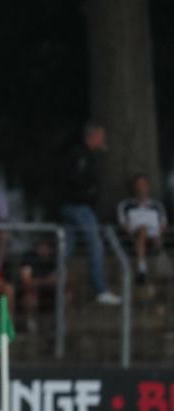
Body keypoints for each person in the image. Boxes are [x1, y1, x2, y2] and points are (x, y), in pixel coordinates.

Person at [62, 124, 121, 305]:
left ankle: (56, 280)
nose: (103, 142)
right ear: (92, 137)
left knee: (66, 248)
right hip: (78, 206)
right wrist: (90, 191)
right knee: (95, 244)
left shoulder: (88, 156)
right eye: (100, 137)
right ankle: (100, 289)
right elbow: (75, 180)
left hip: (76, 205)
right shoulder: (80, 156)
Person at [117, 173, 168, 284]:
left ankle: (144, 267)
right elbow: (122, 224)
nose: (141, 188)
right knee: (142, 231)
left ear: (148, 187)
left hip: (154, 237)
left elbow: (163, 223)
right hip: (133, 237)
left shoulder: (157, 205)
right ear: (134, 187)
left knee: (147, 232)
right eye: (138, 185)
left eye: (143, 184)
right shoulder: (125, 205)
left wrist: (157, 233)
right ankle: (141, 269)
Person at [19, 237, 58, 332]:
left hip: (51, 293)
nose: (43, 249)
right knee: (29, 299)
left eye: (46, 246)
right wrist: (46, 281)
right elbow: (26, 282)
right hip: (34, 293)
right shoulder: (29, 257)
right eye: (41, 246)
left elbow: (59, 281)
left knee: (66, 295)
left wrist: (37, 282)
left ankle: (60, 324)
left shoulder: (56, 258)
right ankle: (31, 325)